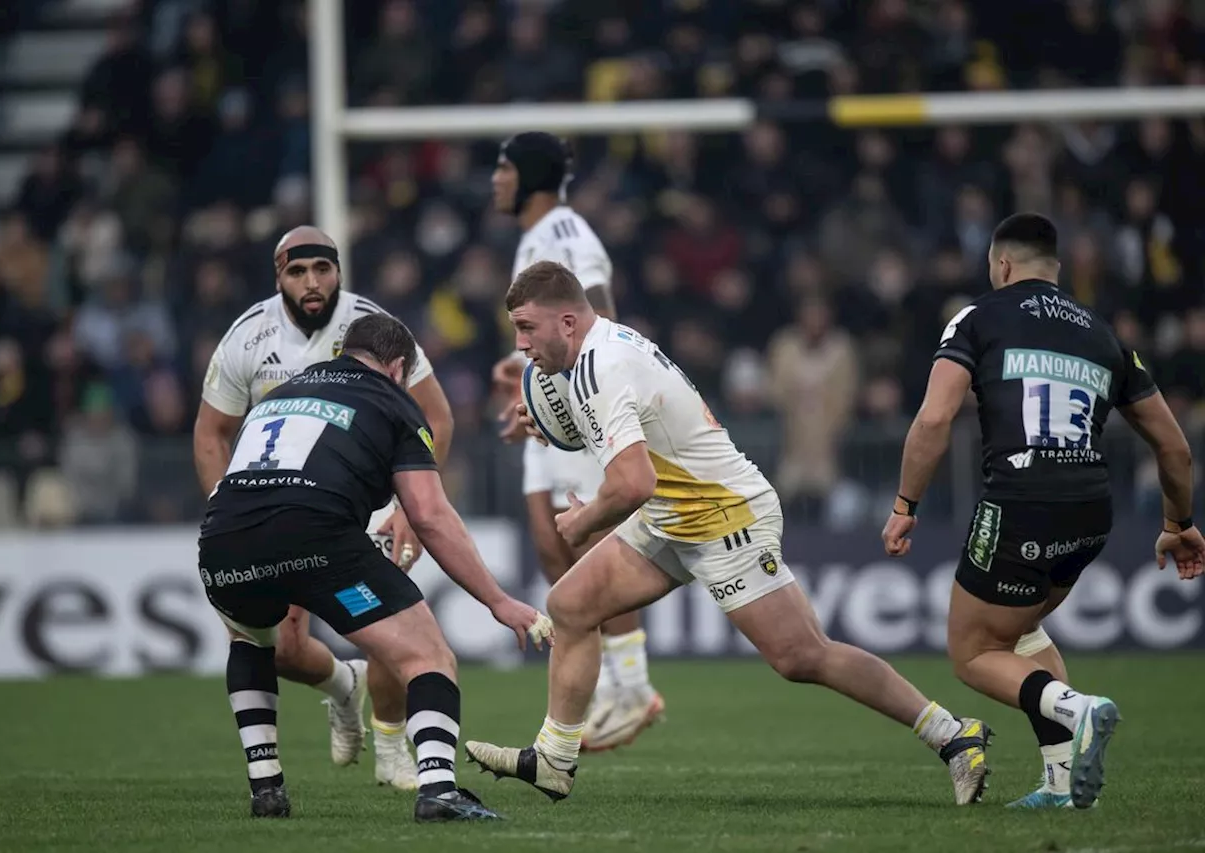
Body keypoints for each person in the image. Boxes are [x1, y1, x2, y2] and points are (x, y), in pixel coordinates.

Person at [465, 260, 991, 805]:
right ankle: (553, 758)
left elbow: (632, 482)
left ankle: (953, 734)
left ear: (568, 323)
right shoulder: (598, 351)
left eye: (527, 328)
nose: (520, 344)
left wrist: (583, 520)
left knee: (801, 656)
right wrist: (553, 426)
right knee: (571, 605)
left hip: (723, 516)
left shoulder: (600, 365)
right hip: (676, 514)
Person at [882, 213, 1205, 810]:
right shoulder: (1102, 333)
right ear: (1054, 269)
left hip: (1021, 502)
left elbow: (933, 418)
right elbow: (1175, 448)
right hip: (1092, 513)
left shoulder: (979, 316)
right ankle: (1061, 784)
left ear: (1002, 265)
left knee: (974, 652)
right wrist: (1178, 525)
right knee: (1020, 629)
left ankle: (1078, 709)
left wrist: (906, 504)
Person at [199, 313, 552, 821]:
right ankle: (438, 791)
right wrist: (498, 600)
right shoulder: (393, 401)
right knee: (427, 657)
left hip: (221, 539)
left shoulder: (278, 395)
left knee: (252, 641)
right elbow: (429, 515)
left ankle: (267, 789)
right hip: (314, 537)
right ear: (398, 367)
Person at [194, 226, 455, 791]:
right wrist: (225, 503)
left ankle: (391, 750)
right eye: (298, 272)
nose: (313, 283)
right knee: (284, 651)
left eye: (323, 270)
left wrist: (410, 507)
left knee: (389, 624)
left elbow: (437, 415)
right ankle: (343, 686)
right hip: (280, 505)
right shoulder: (247, 337)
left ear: (338, 270)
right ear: (279, 276)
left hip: (364, 503)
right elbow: (211, 432)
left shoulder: (376, 330)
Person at [488, 131, 664, 751]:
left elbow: (595, 312)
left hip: (580, 404)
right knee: (550, 545)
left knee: (593, 542)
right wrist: (522, 383)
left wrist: (575, 401)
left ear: (531, 175)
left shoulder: (562, 234)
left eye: (504, 168)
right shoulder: (539, 237)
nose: (495, 179)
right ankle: (615, 683)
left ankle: (631, 687)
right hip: (552, 400)